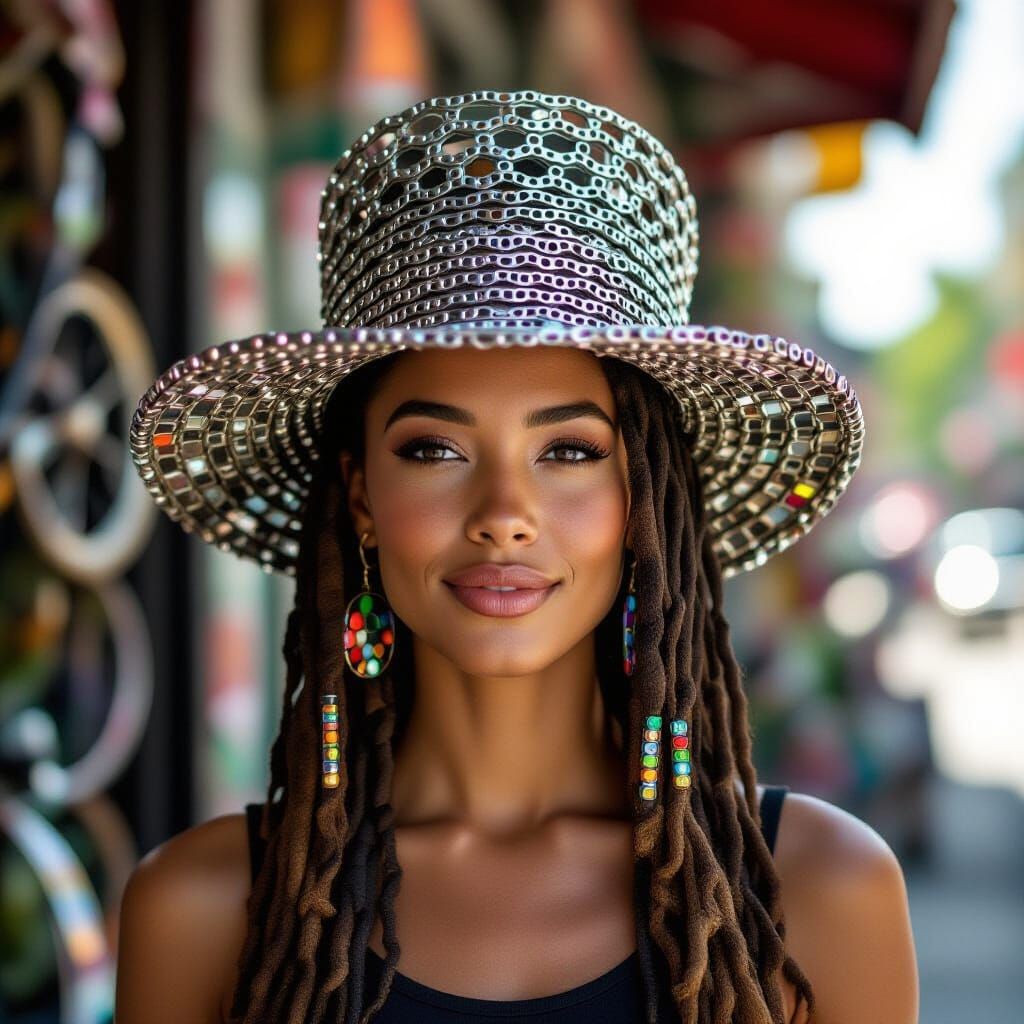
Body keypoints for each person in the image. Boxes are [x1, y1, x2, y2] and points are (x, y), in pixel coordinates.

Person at [114, 92, 918, 1024]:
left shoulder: (817, 893)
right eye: (434, 450)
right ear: (363, 496)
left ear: (645, 505)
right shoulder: (203, 910)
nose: (504, 516)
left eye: (569, 451)